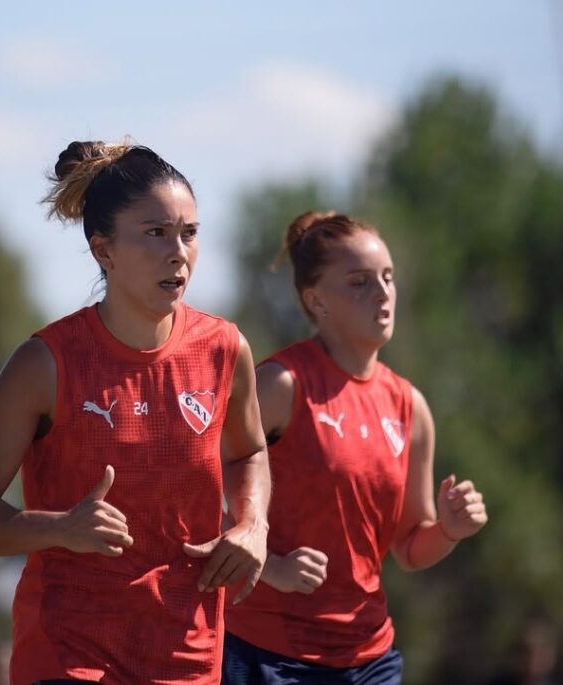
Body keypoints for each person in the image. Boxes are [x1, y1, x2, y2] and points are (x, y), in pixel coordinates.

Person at [0, 140, 271, 685]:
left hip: (186, 653)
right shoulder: (45, 365)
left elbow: (251, 451)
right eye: (155, 233)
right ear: (103, 250)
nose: (178, 252)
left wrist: (253, 523)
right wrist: (61, 527)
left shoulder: (224, 350)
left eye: (189, 233)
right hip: (68, 652)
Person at [223, 211, 489, 684]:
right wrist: (271, 567)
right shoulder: (282, 385)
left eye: (388, 277)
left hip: (369, 659)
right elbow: (194, 490)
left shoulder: (410, 407)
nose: (382, 293)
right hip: (267, 654)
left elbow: (410, 548)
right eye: (360, 282)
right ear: (316, 300)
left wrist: (448, 530)